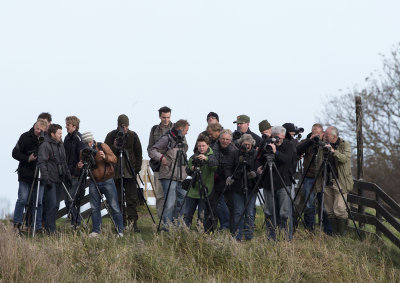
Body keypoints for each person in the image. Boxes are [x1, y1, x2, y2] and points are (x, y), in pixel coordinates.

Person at [77, 132, 124, 238]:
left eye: (90, 142)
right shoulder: (83, 152)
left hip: (107, 180)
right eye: (86, 143)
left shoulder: (102, 146)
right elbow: (82, 166)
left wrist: (105, 157)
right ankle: (96, 231)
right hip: (94, 181)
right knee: (94, 207)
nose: (89, 145)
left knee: (114, 206)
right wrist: (79, 166)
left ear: (93, 140)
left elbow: (115, 159)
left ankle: (120, 230)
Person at [105, 114, 143, 232]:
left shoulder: (133, 136)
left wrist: (136, 169)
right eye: (122, 126)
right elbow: (106, 152)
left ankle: (133, 224)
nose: (124, 128)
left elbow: (138, 153)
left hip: (130, 173)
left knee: (131, 199)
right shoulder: (111, 136)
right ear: (118, 125)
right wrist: (115, 145)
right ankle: (120, 224)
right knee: (117, 199)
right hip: (115, 173)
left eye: (126, 126)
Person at [149, 119, 189, 228]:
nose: (187, 132)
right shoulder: (167, 138)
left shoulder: (181, 140)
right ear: (180, 129)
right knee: (170, 203)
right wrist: (162, 158)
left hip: (181, 176)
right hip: (168, 175)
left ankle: (177, 226)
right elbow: (152, 150)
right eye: (186, 130)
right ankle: (166, 228)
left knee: (183, 202)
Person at [258, 126, 295, 241]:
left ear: (284, 136)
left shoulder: (288, 145)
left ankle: (286, 239)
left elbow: (287, 159)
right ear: (272, 136)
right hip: (269, 183)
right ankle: (271, 238)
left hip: (283, 183)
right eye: (276, 137)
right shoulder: (267, 144)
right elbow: (259, 159)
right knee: (269, 212)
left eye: (280, 137)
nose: (278, 140)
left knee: (284, 213)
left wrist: (276, 152)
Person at [12, 118, 48, 234]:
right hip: (25, 174)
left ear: (45, 130)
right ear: (34, 126)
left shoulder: (46, 140)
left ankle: (36, 227)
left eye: (41, 130)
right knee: (22, 199)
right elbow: (15, 153)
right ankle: (16, 225)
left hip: (40, 175)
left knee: (39, 202)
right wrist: (28, 158)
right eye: (37, 129)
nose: (38, 131)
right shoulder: (25, 137)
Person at [315, 126, 353, 236]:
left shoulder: (344, 145)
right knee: (330, 210)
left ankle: (342, 235)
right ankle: (335, 235)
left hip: (339, 181)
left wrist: (333, 151)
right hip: (326, 180)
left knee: (340, 209)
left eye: (327, 135)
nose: (325, 137)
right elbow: (318, 162)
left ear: (334, 136)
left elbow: (344, 159)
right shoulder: (323, 145)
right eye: (324, 135)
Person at [296, 124, 332, 233]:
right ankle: (309, 230)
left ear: (322, 134)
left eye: (317, 133)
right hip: (309, 177)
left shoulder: (326, 144)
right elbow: (297, 151)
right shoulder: (307, 142)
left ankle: (327, 231)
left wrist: (321, 144)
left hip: (322, 178)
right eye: (313, 133)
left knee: (324, 206)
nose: (314, 135)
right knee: (308, 205)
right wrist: (309, 140)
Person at [38, 124, 72, 234]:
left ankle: (51, 228)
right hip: (50, 179)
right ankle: (50, 230)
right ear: (52, 134)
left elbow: (64, 161)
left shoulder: (60, 144)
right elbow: (42, 163)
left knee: (56, 205)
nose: (61, 135)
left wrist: (68, 176)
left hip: (60, 179)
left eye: (61, 133)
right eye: (59, 133)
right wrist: (46, 178)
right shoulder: (45, 145)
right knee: (51, 204)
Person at [183, 134, 218, 229]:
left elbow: (215, 166)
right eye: (199, 146)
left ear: (208, 145)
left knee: (202, 215)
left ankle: (201, 234)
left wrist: (206, 159)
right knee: (187, 214)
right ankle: (185, 234)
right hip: (193, 190)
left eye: (203, 146)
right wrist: (192, 168)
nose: (201, 148)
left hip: (205, 190)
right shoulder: (193, 156)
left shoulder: (212, 156)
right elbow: (188, 171)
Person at [229, 134, 258, 241]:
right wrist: (230, 177)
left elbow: (258, 167)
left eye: (248, 145)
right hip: (237, 186)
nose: (246, 147)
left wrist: (254, 173)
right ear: (240, 144)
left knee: (250, 213)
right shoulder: (235, 154)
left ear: (252, 145)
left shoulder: (255, 154)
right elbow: (230, 167)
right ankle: (237, 236)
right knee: (238, 212)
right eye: (244, 145)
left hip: (251, 186)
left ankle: (249, 236)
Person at [147, 106, 173, 219]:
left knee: (172, 196)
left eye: (168, 117)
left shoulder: (176, 129)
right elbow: (150, 149)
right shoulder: (154, 129)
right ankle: (162, 222)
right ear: (159, 116)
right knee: (160, 196)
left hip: (172, 166)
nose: (166, 120)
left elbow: (185, 147)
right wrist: (159, 156)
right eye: (164, 117)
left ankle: (173, 223)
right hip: (158, 166)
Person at [210, 129, 237, 232]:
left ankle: (230, 227)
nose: (225, 141)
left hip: (229, 180)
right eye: (223, 139)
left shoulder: (235, 150)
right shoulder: (212, 148)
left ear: (231, 140)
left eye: (227, 139)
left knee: (231, 205)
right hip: (215, 179)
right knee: (217, 204)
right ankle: (223, 226)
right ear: (219, 139)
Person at [63, 116, 85, 227]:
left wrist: (77, 170)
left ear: (74, 126)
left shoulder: (78, 138)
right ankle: (74, 222)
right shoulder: (67, 138)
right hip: (67, 173)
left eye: (68, 125)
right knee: (68, 199)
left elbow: (82, 156)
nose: (66, 126)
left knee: (72, 199)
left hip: (75, 174)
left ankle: (76, 222)